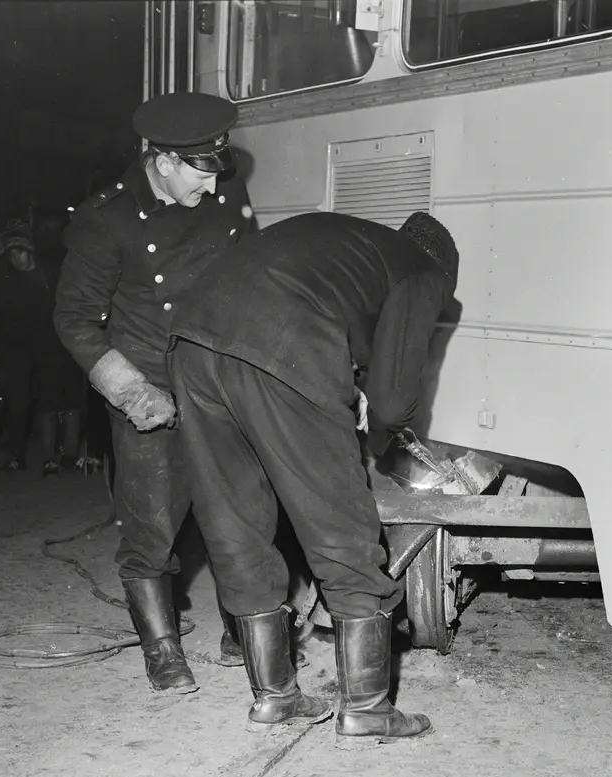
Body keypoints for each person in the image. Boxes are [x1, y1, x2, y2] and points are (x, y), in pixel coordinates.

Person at [168, 210, 459, 745]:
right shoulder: (425, 272)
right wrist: (380, 438)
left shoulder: (352, 247)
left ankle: (275, 697)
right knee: (342, 526)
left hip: (192, 342)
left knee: (234, 518)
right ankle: (368, 706)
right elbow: (394, 403)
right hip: (281, 344)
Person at [54, 92, 254, 693]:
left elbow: (250, 282)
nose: (213, 181)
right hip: (150, 389)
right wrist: (132, 392)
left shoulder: (224, 194)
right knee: (152, 528)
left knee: (241, 515)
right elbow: (75, 319)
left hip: (218, 381)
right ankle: (162, 651)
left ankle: (239, 628)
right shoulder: (106, 217)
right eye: (201, 168)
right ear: (163, 160)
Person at [0, 220, 85, 473]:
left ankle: (69, 453)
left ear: (30, 250)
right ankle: (48, 456)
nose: (16, 258)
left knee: (71, 399)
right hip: (32, 349)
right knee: (46, 402)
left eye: (20, 251)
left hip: (62, 344)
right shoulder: (11, 281)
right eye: (12, 253)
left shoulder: (51, 274)